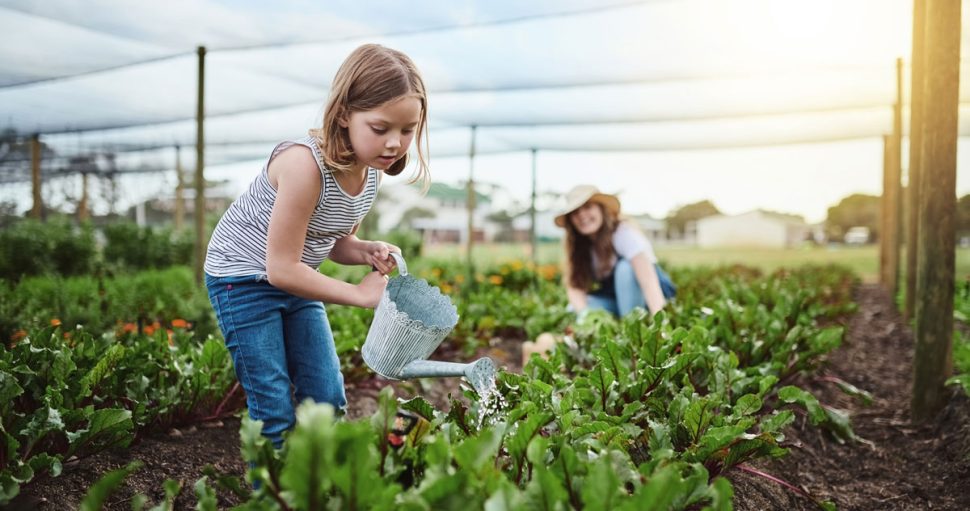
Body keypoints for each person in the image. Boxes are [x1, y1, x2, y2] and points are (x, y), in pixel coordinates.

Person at [203, 44, 429, 449]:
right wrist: (360, 295)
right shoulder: (304, 166)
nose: (395, 143)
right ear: (343, 114)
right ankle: (274, 496)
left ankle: (317, 486)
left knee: (326, 398)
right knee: (273, 409)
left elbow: (335, 242)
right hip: (243, 281)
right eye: (380, 129)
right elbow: (281, 268)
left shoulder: (369, 174)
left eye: (407, 130)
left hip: (294, 280)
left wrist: (365, 250)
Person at [522, 185, 676, 366]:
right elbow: (575, 287)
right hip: (618, 299)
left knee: (625, 269)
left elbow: (649, 282)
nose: (582, 216)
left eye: (588, 207)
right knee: (578, 307)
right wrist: (585, 318)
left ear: (601, 209)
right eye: (575, 212)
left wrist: (662, 326)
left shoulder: (623, 233)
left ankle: (631, 336)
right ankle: (567, 346)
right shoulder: (579, 244)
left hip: (650, 299)